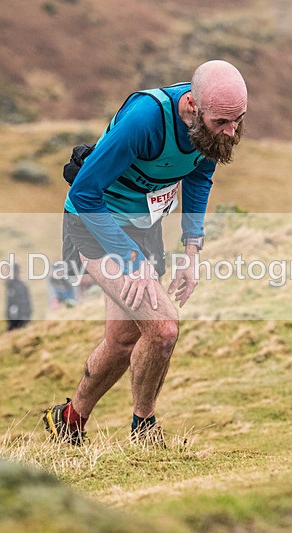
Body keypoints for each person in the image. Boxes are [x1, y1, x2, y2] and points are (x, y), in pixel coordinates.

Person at [42, 60, 247, 445]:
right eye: (222, 122)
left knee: (122, 341)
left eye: (238, 121)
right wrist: (130, 260)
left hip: (143, 226)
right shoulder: (145, 120)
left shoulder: (211, 124)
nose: (231, 132)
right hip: (95, 223)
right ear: (192, 105)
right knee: (163, 327)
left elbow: (200, 175)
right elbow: (83, 193)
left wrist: (191, 250)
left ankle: (68, 420)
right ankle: (144, 429)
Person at [5, 263, 32, 331]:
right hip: (12, 319)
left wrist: (24, 317)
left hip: (20, 319)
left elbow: (25, 303)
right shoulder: (10, 285)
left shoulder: (21, 286)